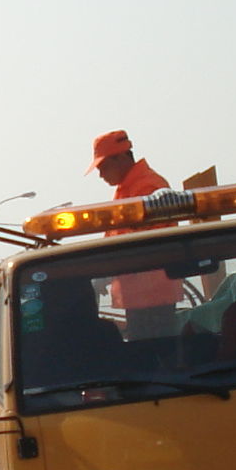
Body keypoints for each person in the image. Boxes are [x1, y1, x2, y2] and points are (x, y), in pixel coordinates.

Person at [89, 129, 187, 330]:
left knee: (152, 354)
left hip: (152, 296)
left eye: (103, 167)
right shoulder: (127, 190)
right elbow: (113, 239)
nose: (100, 175)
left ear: (121, 158)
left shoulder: (147, 188)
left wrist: (105, 272)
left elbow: (142, 245)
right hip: (140, 295)